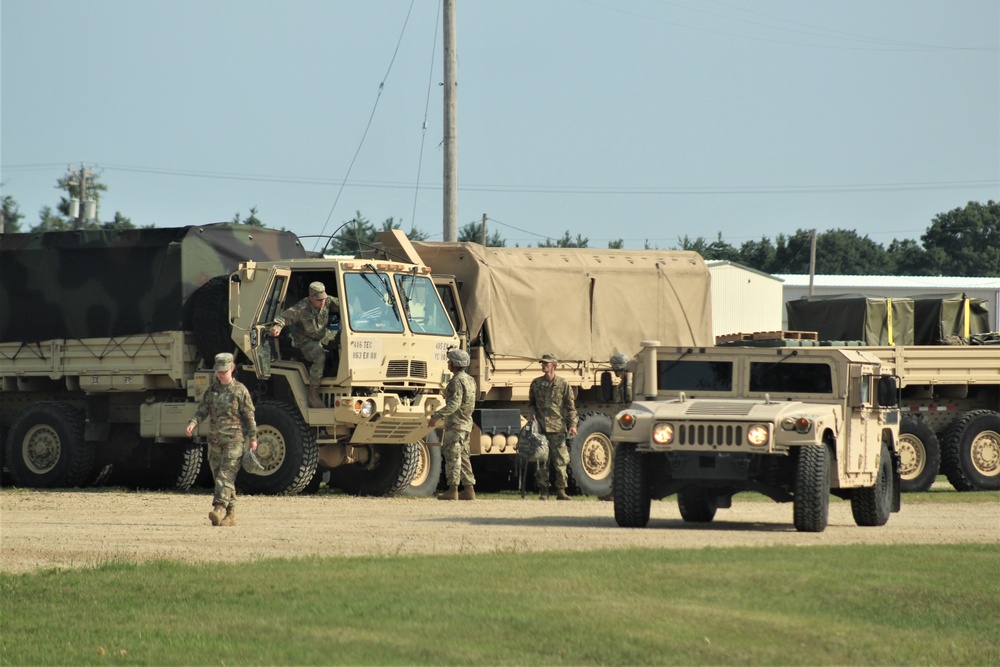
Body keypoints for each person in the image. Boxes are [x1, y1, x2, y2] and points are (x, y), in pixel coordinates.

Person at [186, 352, 258, 527]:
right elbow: (203, 410)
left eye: (224, 371)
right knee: (220, 477)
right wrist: (193, 423)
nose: (220, 374)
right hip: (215, 441)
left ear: (232, 369)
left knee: (225, 477)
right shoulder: (212, 391)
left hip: (234, 440)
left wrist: (253, 438)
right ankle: (231, 515)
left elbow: (249, 416)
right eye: (218, 371)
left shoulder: (240, 391)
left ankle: (218, 509)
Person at [269, 281, 340, 408]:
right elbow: (284, 317)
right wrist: (277, 327)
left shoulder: (327, 301)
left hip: (323, 337)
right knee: (319, 356)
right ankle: (313, 395)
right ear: (311, 298)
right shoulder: (302, 307)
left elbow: (345, 305)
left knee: (341, 344)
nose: (322, 302)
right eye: (319, 300)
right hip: (305, 342)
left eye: (323, 298)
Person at [427, 348, 477, 500]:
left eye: (450, 360)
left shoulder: (456, 381)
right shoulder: (470, 379)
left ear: (455, 363)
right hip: (466, 423)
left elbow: (454, 404)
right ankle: (469, 489)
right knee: (464, 456)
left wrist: (436, 416)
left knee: (453, 456)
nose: (448, 363)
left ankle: (453, 489)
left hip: (456, 425)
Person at [529, 353, 578, 500]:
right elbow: (531, 403)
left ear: (554, 366)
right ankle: (543, 491)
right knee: (542, 461)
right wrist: (531, 415)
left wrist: (573, 424)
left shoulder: (563, 384)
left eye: (547, 363)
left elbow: (571, 408)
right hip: (541, 429)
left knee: (561, 461)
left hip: (557, 428)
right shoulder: (536, 384)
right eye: (542, 363)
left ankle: (561, 490)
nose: (543, 366)